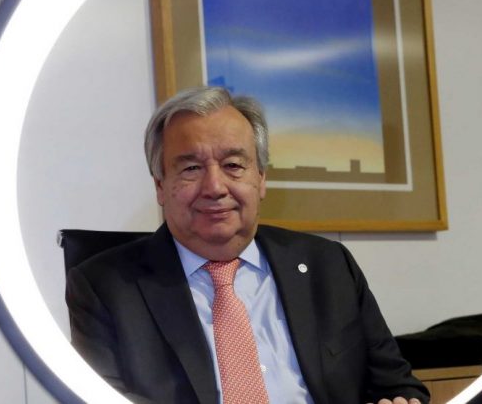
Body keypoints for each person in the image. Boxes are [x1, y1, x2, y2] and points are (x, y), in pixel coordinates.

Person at [66, 86, 429, 404]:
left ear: (261, 178)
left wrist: (400, 399)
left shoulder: (329, 266)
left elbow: (396, 383)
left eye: (233, 165)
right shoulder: (104, 288)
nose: (215, 187)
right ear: (160, 186)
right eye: (191, 169)